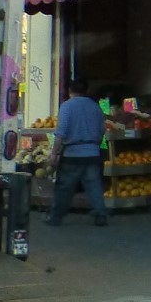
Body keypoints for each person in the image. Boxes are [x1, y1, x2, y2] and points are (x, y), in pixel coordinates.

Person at [46, 77, 109, 227]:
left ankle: (55, 217)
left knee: (64, 187)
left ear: (69, 91)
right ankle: (100, 214)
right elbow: (102, 131)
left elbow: (61, 132)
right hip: (92, 152)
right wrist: (95, 145)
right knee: (94, 185)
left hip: (72, 153)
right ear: (86, 90)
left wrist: (54, 153)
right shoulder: (95, 107)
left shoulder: (67, 107)